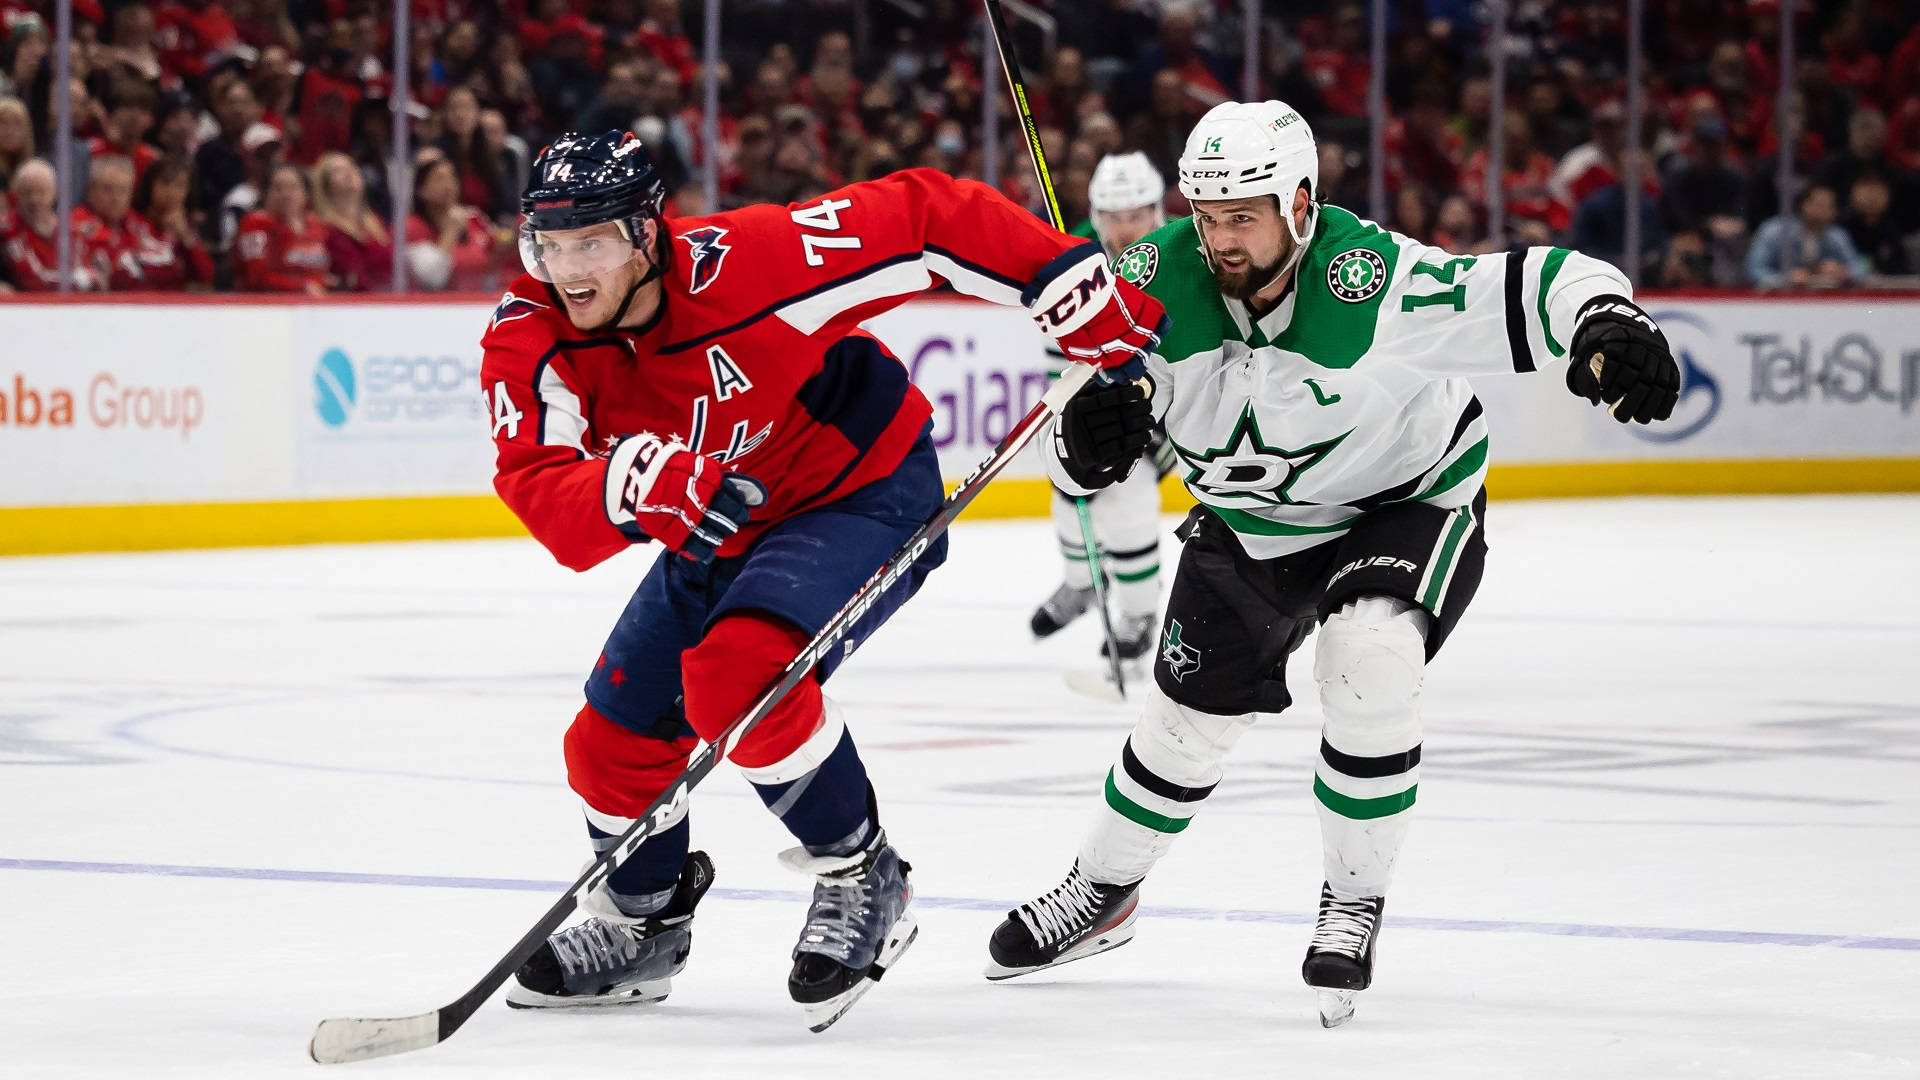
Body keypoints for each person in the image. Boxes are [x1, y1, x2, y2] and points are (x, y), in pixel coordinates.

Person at [986, 101, 1679, 1028]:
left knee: (1367, 659)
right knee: (1182, 726)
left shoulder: (1376, 282)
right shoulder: (1145, 284)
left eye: (1245, 217)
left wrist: (1604, 319)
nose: (1222, 240)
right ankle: (1102, 890)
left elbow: (1536, 280)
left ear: (1301, 203)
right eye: (1207, 216)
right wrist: (1087, 437)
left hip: (1403, 502)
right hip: (1253, 522)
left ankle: (1353, 900)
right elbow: (1071, 443)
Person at [482, 130, 1163, 1029]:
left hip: (861, 485)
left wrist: (1056, 274)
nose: (568, 268)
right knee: (606, 744)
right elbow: (537, 484)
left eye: (593, 241)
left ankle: (862, 875)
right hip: (724, 523)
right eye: (551, 243)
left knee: (737, 679)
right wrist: (626, 486)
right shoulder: (529, 337)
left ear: (650, 233)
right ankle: (643, 919)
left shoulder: (751, 265)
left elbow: (918, 217)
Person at [1030, 152, 1177, 673]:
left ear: (1156, 210)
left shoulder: (1183, 252)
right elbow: (1057, 348)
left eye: (1135, 214)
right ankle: (1083, 583)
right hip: (1099, 401)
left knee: (1126, 495)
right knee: (1068, 486)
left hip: (1171, 409)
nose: (1124, 228)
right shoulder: (1077, 259)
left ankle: (1137, 615)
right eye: (1113, 217)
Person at [1745, 182, 1869, 289]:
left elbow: (1861, 268)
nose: (1823, 210)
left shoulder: (1836, 235)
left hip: (1824, 301)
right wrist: (1785, 278)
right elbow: (1753, 270)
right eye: (1819, 204)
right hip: (1779, 299)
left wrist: (1843, 272)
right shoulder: (1775, 231)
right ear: (1804, 205)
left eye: (1829, 206)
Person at [233, 161, 329, 294]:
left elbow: (323, 274)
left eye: (293, 187)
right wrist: (301, 286)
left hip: (315, 305)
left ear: (305, 194)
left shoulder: (316, 225)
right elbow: (257, 277)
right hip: (264, 305)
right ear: (266, 194)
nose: (285, 194)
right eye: (278, 188)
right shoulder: (255, 224)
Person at [311, 150, 391, 291]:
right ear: (326, 185)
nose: (349, 173)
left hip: (387, 301)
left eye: (352, 167)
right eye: (338, 171)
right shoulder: (325, 230)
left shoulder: (376, 224)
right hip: (351, 304)